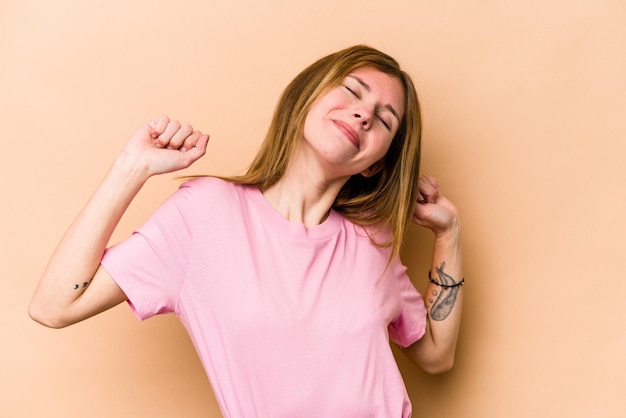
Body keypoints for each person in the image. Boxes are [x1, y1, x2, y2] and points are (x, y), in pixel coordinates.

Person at [29, 45, 463, 417]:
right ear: (305, 98)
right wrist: (133, 167)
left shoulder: (373, 242)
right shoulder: (206, 213)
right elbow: (54, 306)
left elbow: (437, 356)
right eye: (352, 91)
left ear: (375, 163)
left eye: (385, 119)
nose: (364, 114)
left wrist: (449, 234)